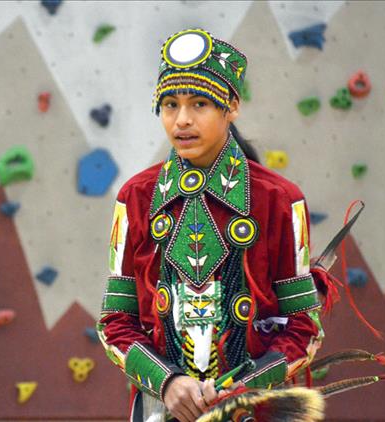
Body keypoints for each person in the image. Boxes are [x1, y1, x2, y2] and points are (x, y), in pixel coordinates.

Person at [97, 28, 324, 422]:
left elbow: (304, 326)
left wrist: (246, 387)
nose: (182, 120)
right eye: (169, 105)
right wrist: (168, 383)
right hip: (159, 408)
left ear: (231, 106)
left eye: (199, 103)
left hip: (256, 410)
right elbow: (116, 323)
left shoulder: (279, 199)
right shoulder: (134, 197)